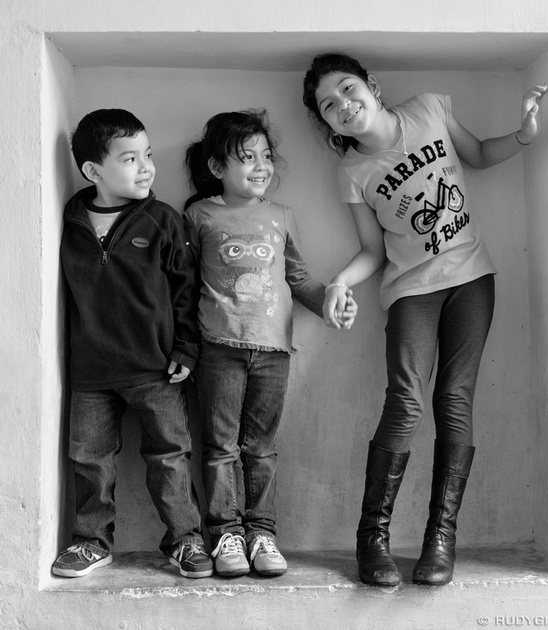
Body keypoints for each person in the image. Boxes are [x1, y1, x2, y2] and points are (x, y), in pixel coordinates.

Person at [303, 53, 547, 587]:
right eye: (329, 105)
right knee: (407, 399)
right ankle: (373, 537)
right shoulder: (352, 171)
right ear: (326, 122)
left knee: (454, 398)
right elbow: (372, 249)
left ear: (372, 85)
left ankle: (441, 537)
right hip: (411, 291)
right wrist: (341, 281)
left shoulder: (430, 109)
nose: (343, 105)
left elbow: (479, 153)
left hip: (472, 280)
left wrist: (525, 135)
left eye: (348, 90)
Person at [183, 109, 357, 578]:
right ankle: (224, 535)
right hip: (218, 346)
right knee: (220, 446)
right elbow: (183, 284)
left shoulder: (281, 216)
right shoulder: (200, 214)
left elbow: (298, 278)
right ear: (217, 167)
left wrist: (330, 304)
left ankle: (262, 533)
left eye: (265, 156)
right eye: (246, 158)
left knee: (261, 448)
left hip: (273, 352)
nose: (260, 166)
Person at [53, 109, 212, 579]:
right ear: (92, 172)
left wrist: (186, 349)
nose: (146, 167)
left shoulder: (162, 220)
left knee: (169, 457)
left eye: (146, 155)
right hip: (91, 372)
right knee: (89, 461)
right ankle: (89, 541)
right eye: (129, 158)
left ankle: (185, 540)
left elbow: (187, 290)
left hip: (157, 368)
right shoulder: (71, 221)